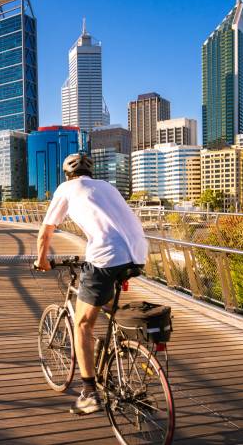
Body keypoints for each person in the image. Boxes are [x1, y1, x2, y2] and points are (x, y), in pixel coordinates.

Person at [33, 153, 148, 415]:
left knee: (82, 324)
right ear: (91, 172)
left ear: (67, 174)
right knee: (104, 303)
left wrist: (42, 260)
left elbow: (46, 231)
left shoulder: (66, 188)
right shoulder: (107, 187)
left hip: (107, 256)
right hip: (138, 252)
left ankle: (88, 393)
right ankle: (115, 345)